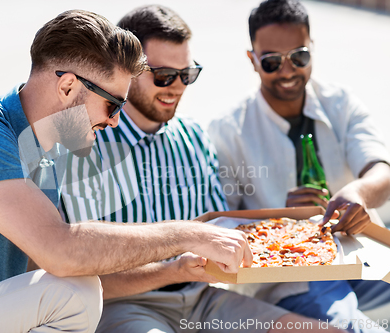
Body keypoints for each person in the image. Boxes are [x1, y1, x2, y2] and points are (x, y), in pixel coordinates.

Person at [0, 10, 259, 333]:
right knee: (74, 292)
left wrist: (174, 269)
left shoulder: (46, 154)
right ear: (67, 86)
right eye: (112, 105)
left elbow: (53, 263)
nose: (115, 122)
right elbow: (61, 251)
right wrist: (186, 234)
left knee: (76, 284)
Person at [60, 5, 347, 333]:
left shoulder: (194, 135)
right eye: (164, 76)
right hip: (126, 305)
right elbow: (84, 275)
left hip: (206, 298)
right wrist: (175, 270)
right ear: (127, 71)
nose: (178, 86)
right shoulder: (84, 142)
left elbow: (223, 226)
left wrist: (292, 224)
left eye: (187, 74)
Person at [208, 0, 390, 331]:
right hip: (289, 278)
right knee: (352, 326)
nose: (288, 71)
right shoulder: (228, 129)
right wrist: (281, 219)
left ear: (313, 49)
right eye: (272, 61)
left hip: (359, 254)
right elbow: (220, 220)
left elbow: (381, 169)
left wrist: (359, 193)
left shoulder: (341, 102)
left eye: (299, 57)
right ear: (252, 61)